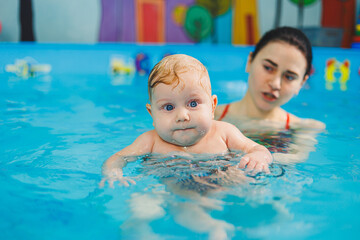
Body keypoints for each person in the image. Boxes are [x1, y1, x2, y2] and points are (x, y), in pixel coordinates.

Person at [100, 54, 273, 239]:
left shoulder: (224, 133)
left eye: (193, 103)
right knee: (141, 206)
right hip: (172, 190)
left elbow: (259, 149)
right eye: (168, 107)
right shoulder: (150, 141)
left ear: (212, 106)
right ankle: (144, 229)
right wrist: (114, 173)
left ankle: (220, 226)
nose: (182, 115)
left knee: (255, 193)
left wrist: (258, 157)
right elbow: (118, 158)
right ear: (152, 114)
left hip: (222, 187)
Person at [215, 26, 325, 131]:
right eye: (268, 68)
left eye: (289, 77)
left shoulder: (304, 129)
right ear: (249, 62)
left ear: (301, 84)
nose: (275, 84)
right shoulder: (210, 117)